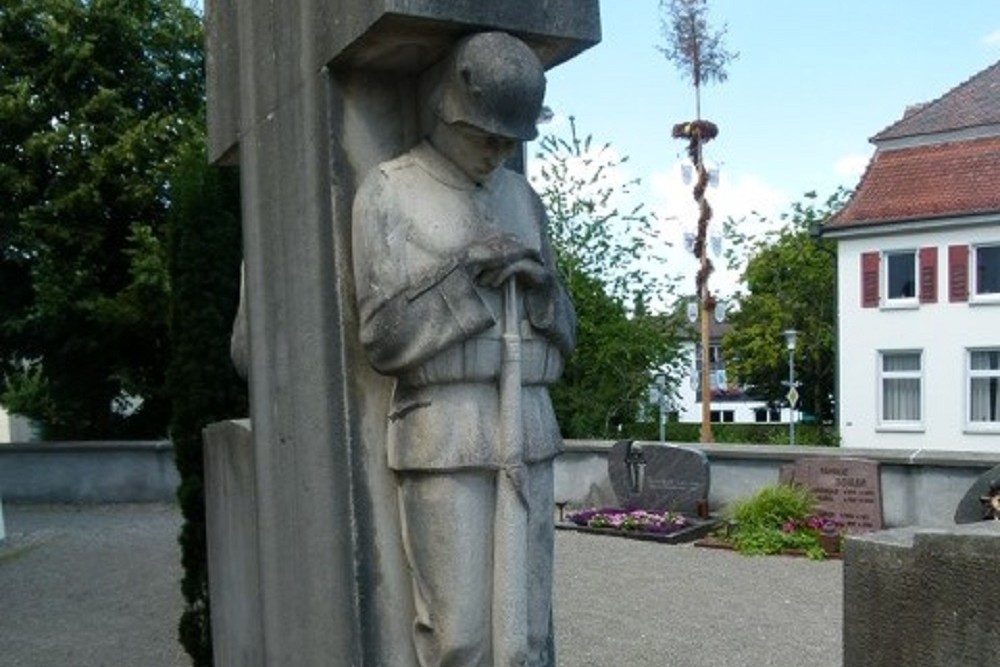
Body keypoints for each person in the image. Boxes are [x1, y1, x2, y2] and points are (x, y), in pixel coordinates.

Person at [351, 31, 576, 667]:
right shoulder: (390, 190)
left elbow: (567, 332)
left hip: (528, 423)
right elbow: (382, 337)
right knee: (462, 639)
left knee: (528, 637)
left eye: (512, 141)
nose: (500, 152)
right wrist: (465, 275)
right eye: (488, 136)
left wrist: (542, 294)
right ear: (448, 110)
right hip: (443, 430)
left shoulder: (524, 200)